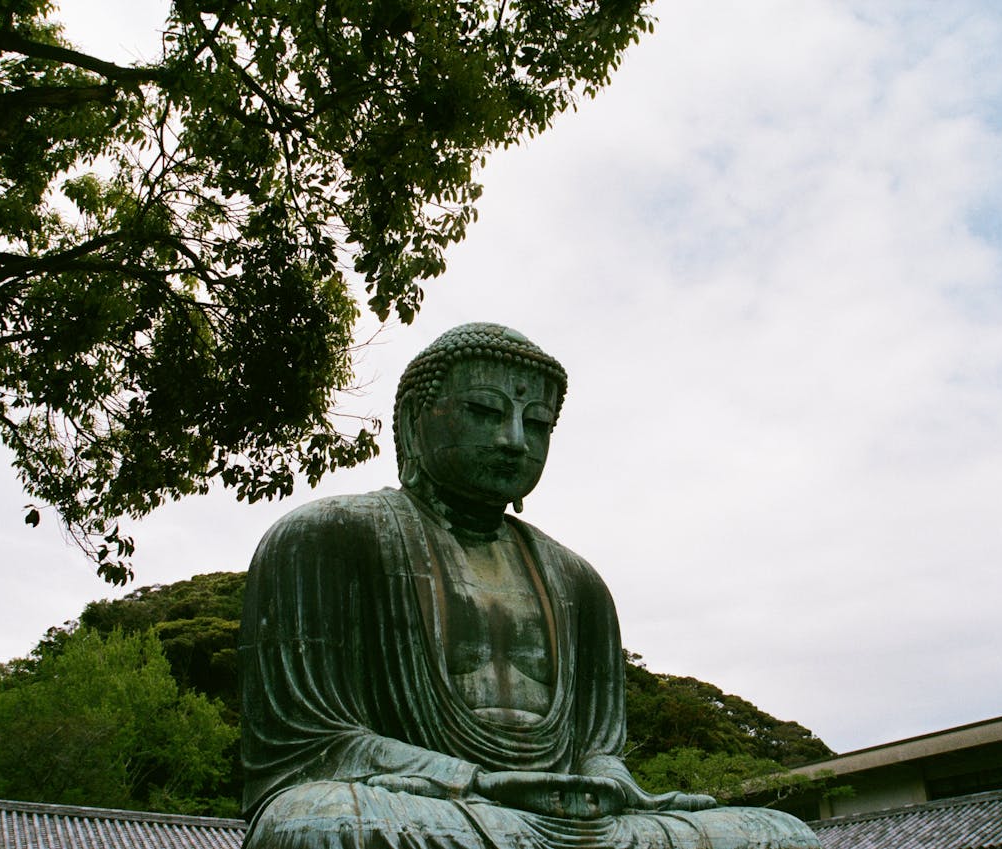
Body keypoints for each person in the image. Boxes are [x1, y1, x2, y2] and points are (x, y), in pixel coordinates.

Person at [239, 323, 820, 849]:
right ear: (417, 417)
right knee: (311, 825)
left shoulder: (577, 580)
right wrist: (474, 779)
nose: (515, 440)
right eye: (486, 412)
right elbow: (310, 746)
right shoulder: (326, 537)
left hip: (571, 821)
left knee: (780, 836)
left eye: (537, 423)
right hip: (434, 808)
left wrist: (610, 787)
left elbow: (598, 749)